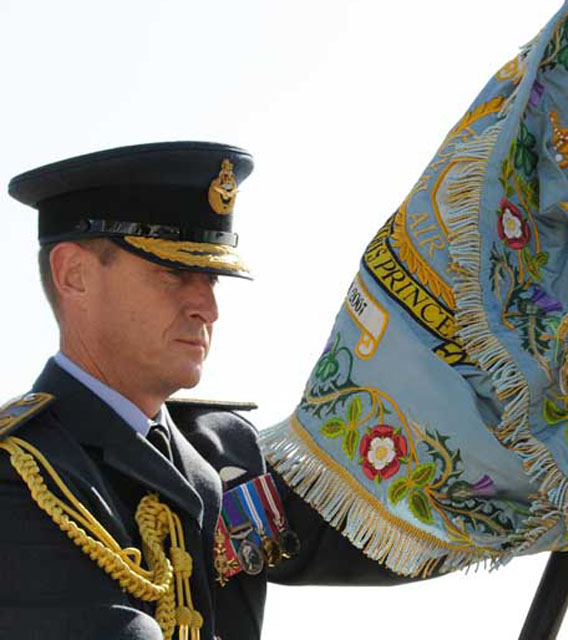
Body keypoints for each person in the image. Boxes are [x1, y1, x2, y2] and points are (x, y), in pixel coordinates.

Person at [0, 142, 406, 640]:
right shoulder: (22, 475)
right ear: (74, 274)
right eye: (174, 272)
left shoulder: (220, 447)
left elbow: (382, 531)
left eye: (212, 277)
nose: (207, 308)